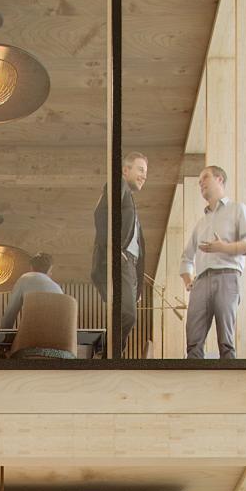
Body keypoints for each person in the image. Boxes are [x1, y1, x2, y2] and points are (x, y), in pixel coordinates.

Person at [179, 164, 246, 360]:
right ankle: (193, 386)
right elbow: (186, 258)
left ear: (219, 179)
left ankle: (229, 386)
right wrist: (189, 281)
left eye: (205, 178)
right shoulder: (200, 224)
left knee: (226, 341)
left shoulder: (238, 209)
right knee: (193, 342)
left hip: (227, 276)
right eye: (198, 182)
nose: (200, 184)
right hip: (201, 281)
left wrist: (222, 247)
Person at [93, 150, 148, 356]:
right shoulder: (118, 186)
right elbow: (99, 215)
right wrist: (115, 250)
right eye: (140, 169)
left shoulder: (129, 200)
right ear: (125, 170)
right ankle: (110, 354)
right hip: (121, 260)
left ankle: (110, 354)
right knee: (127, 314)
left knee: (123, 314)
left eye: (145, 171)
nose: (144, 175)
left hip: (130, 266)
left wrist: (138, 286)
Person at [2, 252, 63, 328]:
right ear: (49, 269)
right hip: (59, 337)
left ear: (31, 267)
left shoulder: (25, 279)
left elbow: (10, 312)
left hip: (30, 334)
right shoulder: (57, 288)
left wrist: (4, 335)